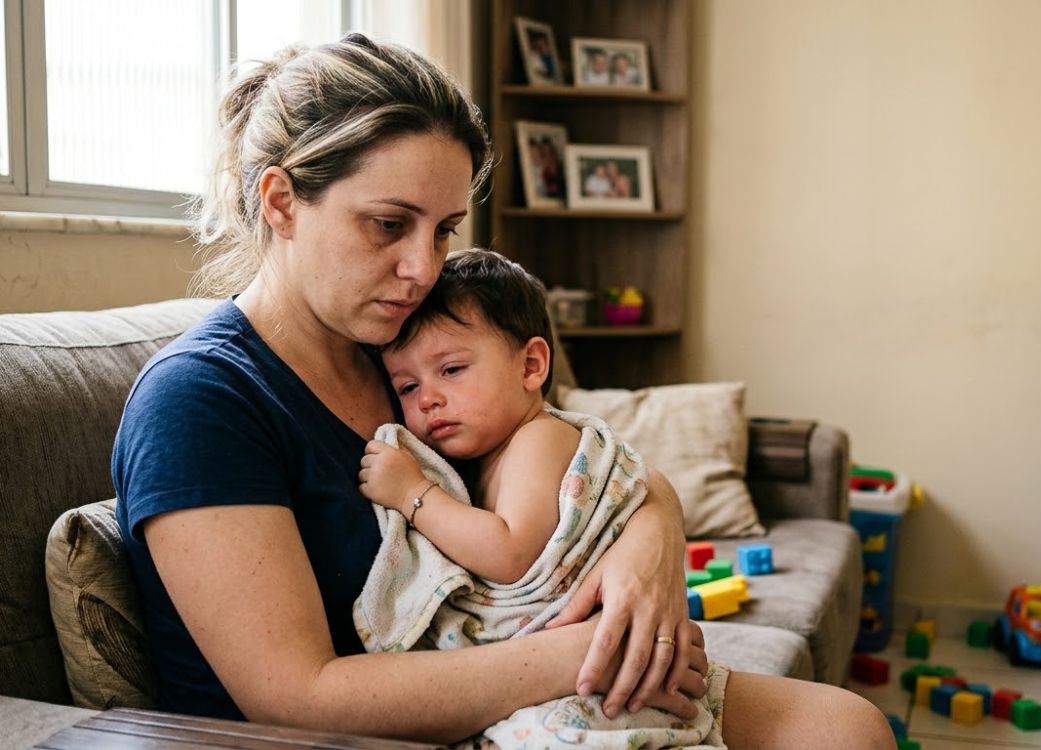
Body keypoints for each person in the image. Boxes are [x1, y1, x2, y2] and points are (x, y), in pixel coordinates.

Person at [110, 33, 891, 748]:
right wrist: (596, 647)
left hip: (523, 681)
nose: (423, 268)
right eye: (388, 225)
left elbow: (573, 456)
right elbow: (298, 698)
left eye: (444, 229)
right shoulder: (200, 401)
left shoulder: (403, 347)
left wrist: (654, 542)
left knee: (846, 727)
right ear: (282, 202)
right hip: (370, 730)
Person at [359, 248, 728, 746]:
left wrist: (412, 493)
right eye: (406, 387)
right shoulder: (483, 456)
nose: (427, 399)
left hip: (595, 673)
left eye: (451, 370)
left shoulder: (540, 438)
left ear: (531, 366)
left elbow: (509, 555)